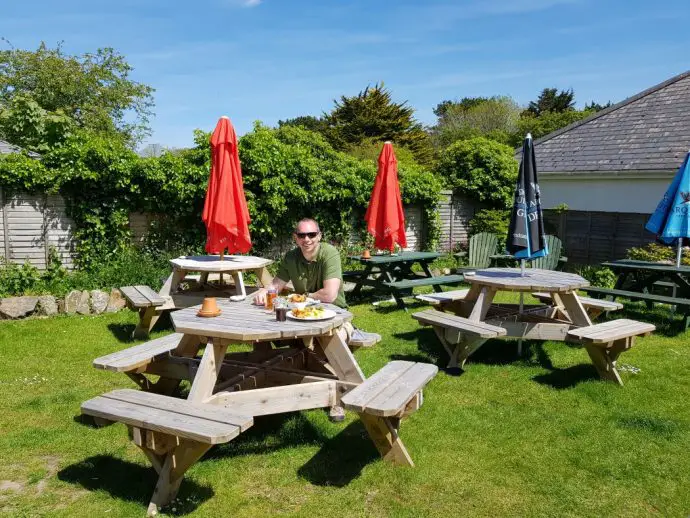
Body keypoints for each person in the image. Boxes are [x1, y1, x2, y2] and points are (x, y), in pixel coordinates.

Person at [255, 218, 346, 308]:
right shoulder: (291, 257)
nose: (306, 239)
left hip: (335, 313)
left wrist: (304, 296)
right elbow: (275, 286)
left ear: (319, 236)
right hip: (302, 312)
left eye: (312, 234)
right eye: (301, 235)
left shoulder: (329, 253)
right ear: (296, 238)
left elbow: (329, 295)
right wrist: (265, 292)